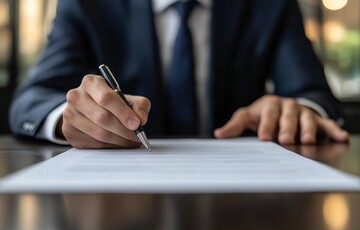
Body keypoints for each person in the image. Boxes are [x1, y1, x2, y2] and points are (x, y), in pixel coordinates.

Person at [9, 0, 349, 149]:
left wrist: (298, 110)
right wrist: (71, 117)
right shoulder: (87, 3)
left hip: (242, 209)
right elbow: (32, 100)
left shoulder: (268, 4)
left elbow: (314, 95)